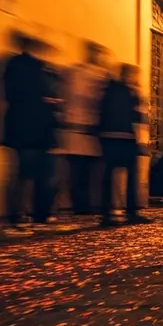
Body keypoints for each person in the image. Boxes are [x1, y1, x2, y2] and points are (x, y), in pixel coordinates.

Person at [3, 33, 61, 233]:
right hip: (32, 128)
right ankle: (23, 213)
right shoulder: (31, 68)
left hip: (28, 128)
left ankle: (29, 213)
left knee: (31, 172)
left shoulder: (17, 66)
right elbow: (41, 97)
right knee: (28, 173)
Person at [96, 64, 150, 226]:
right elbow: (139, 117)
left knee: (109, 175)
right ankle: (131, 211)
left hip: (108, 136)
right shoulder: (130, 92)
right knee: (131, 176)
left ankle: (106, 212)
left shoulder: (108, 90)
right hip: (125, 137)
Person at [61, 42, 106, 215]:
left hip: (89, 130)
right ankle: (80, 204)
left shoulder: (94, 74)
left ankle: (86, 204)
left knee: (87, 172)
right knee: (78, 172)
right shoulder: (79, 73)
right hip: (79, 128)